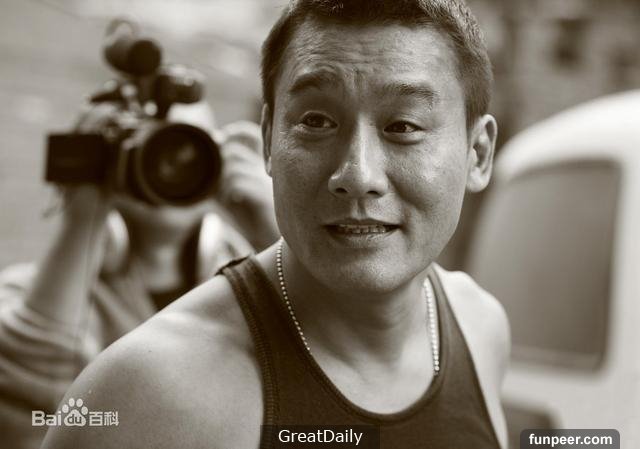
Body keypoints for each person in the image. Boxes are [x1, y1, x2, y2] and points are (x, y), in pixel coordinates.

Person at [42, 0, 510, 448]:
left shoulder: (479, 326)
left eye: (403, 126)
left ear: (478, 154)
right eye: (316, 120)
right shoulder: (150, 394)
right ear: (269, 140)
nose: (357, 175)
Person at [0, 101, 279, 449]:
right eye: (148, 144)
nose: (168, 164)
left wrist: (277, 230)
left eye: (186, 146)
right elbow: (25, 409)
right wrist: (82, 218)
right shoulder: (33, 292)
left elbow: (328, 363)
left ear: (217, 162)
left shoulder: (260, 288)